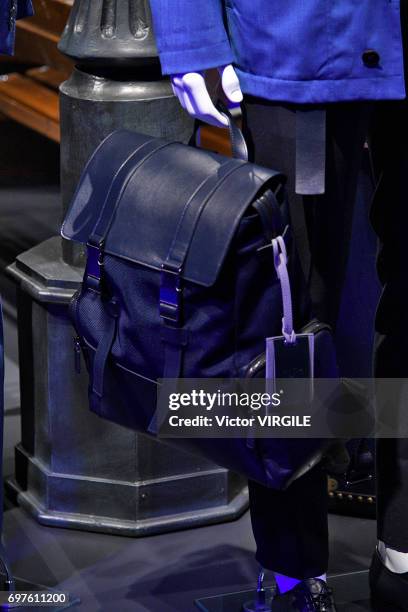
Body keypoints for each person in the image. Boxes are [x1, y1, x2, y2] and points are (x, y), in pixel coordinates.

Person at [149, 2, 408, 611]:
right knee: (289, 317)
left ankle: (402, 548)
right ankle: (292, 571)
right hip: (293, 39)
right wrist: (190, 38)